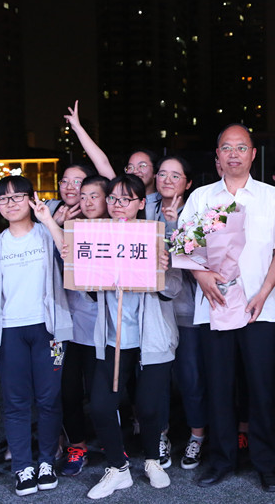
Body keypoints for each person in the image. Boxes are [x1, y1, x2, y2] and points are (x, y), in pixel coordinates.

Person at [178, 124, 275, 492]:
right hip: (214, 306)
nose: (234, 154)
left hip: (259, 308)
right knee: (218, 387)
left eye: (241, 147)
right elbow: (185, 246)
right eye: (227, 148)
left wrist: (265, 292)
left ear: (253, 154)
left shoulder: (271, 197)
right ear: (217, 156)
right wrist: (201, 277)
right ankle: (221, 459)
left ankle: (267, 463)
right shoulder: (200, 197)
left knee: (262, 389)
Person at [85, 174, 183, 499]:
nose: (118, 205)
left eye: (126, 199)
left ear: (141, 203)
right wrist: (80, 262)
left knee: (149, 407)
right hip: (113, 338)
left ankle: (153, 460)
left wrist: (162, 269)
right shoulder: (97, 236)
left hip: (152, 337)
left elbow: (174, 288)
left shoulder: (156, 235)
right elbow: (87, 289)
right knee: (101, 406)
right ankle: (118, 468)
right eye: (113, 198)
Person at [0, 176, 72, 497]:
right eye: (3, 199)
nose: (11, 203)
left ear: (32, 199)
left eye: (18, 196)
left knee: (48, 399)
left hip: (48, 328)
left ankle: (46, 462)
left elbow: (71, 255)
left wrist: (48, 220)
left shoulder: (46, 233)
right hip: (10, 330)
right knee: (16, 402)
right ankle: (22, 467)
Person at [153, 155, 206, 470]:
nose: (168, 180)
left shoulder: (198, 213)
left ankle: (197, 436)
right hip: (153, 311)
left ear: (188, 183)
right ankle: (160, 435)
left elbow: (201, 259)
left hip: (187, 310)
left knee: (190, 378)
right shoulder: (144, 209)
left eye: (176, 175)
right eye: (162, 174)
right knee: (156, 380)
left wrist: (174, 225)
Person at [57, 175, 110, 477]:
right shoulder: (68, 229)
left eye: (94, 196)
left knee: (102, 394)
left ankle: (112, 445)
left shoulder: (117, 232)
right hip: (66, 328)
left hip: (99, 330)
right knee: (68, 392)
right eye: (84, 196)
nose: (87, 201)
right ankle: (76, 446)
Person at [64, 100, 162, 218]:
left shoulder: (164, 201)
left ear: (156, 172)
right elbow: (102, 162)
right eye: (130, 167)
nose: (135, 171)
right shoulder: (117, 193)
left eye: (142, 166)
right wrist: (77, 127)